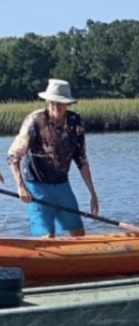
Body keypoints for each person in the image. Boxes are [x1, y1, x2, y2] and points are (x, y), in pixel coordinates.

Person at [7, 79, 99, 237]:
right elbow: (13, 157)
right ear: (47, 101)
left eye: (60, 103)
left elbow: (82, 160)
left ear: (68, 104)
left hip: (62, 184)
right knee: (47, 236)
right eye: (52, 102)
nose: (56, 106)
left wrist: (92, 193)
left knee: (78, 232)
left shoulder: (74, 122)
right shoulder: (35, 121)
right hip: (36, 185)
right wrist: (20, 186)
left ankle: (80, 259)